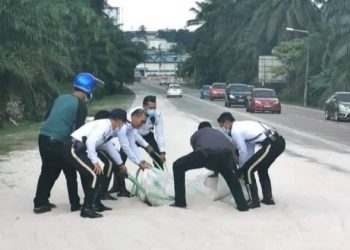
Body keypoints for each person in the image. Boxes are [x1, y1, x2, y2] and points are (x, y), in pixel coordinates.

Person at [33, 72, 97, 214]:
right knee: (70, 172)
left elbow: (48, 116)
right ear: (89, 89)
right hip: (58, 141)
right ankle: (75, 204)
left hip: (43, 137)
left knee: (49, 171)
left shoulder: (60, 97)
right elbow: (78, 132)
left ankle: (40, 202)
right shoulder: (81, 105)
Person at [171, 121, 249, 211]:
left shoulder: (196, 134)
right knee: (231, 179)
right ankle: (243, 206)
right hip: (225, 156)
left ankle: (180, 202)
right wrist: (238, 171)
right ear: (210, 127)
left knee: (178, 166)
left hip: (205, 154)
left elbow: (196, 151)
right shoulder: (220, 133)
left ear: (199, 129)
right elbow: (233, 154)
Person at [66, 108, 128, 218]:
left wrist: (121, 164)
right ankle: (87, 209)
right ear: (118, 121)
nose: (123, 125)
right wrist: (95, 162)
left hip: (80, 150)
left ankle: (96, 204)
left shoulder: (109, 129)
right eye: (123, 122)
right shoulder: (105, 125)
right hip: (73, 148)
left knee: (97, 176)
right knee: (95, 175)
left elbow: (108, 146)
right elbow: (90, 141)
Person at [217, 112, 286, 208]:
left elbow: (243, 151)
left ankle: (254, 201)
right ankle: (268, 199)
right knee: (261, 168)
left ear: (227, 122)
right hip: (278, 142)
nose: (223, 128)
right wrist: (246, 163)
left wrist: (241, 168)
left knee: (248, 170)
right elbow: (249, 150)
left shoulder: (235, 131)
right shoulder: (241, 126)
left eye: (222, 125)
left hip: (272, 144)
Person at [108, 108, 152, 197]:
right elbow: (126, 147)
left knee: (116, 164)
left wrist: (141, 161)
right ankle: (103, 192)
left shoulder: (130, 127)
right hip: (100, 142)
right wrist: (139, 164)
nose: (142, 125)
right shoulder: (123, 126)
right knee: (111, 164)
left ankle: (120, 189)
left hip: (106, 142)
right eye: (142, 121)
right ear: (135, 117)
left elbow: (133, 146)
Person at [131, 95, 166, 170]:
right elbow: (134, 133)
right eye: (150, 108)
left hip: (147, 136)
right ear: (144, 106)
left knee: (158, 157)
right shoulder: (134, 113)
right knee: (121, 157)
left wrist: (162, 151)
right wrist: (146, 145)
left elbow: (160, 134)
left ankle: (160, 178)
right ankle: (118, 181)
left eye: (154, 108)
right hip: (133, 137)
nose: (152, 110)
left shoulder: (157, 115)